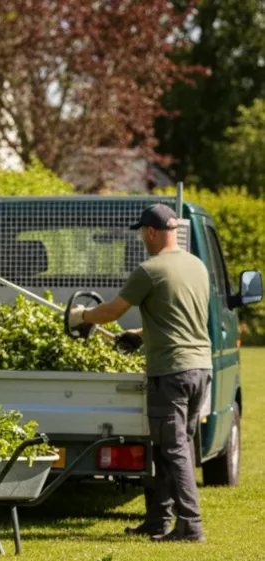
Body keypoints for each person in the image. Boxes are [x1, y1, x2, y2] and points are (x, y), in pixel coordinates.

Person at [67, 203, 211, 542]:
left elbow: (113, 311)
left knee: (172, 449)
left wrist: (82, 316)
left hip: (171, 373)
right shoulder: (197, 266)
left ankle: (191, 526)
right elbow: (180, 320)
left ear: (150, 232)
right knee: (167, 446)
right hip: (200, 369)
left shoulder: (150, 270)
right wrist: (138, 337)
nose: (141, 240)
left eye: (141, 234)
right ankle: (159, 520)